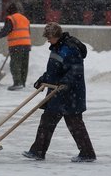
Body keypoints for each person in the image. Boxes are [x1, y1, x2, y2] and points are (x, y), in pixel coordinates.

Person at [22, 22, 96, 162]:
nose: (47, 40)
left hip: (70, 94)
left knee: (75, 124)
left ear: (55, 35)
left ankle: (87, 154)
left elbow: (76, 70)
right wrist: (43, 80)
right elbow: (54, 70)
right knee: (47, 121)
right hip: (57, 93)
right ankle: (38, 151)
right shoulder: (57, 47)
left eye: (49, 37)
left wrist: (65, 83)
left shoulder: (70, 49)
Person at [0, 2, 31, 90]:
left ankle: (17, 83)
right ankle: (22, 82)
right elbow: (28, 32)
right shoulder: (25, 18)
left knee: (15, 64)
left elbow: (6, 30)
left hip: (16, 45)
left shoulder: (11, 18)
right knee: (23, 64)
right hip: (26, 44)